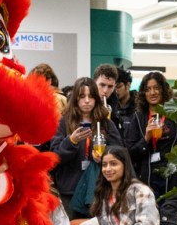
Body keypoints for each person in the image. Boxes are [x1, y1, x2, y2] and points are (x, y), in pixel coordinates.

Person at [50, 77, 123, 217]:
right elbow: (54, 157)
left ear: (96, 98)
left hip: (98, 189)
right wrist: (71, 141)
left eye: (91, 96)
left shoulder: (105, 123)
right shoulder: (64, 122)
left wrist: (105, 155)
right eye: (82, 96)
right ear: (75, 99)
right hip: (69, 191)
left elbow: (119, 153)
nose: (87, 101)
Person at [124, 70, 177, 200]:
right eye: (148, 89)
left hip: (172, 176)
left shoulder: (175, 115)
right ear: (143, 93)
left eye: (156, 88)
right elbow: (130, 153)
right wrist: (146, 138)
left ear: (163, 90)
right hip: (146, 177)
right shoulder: (138, 118)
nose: (152, 92)